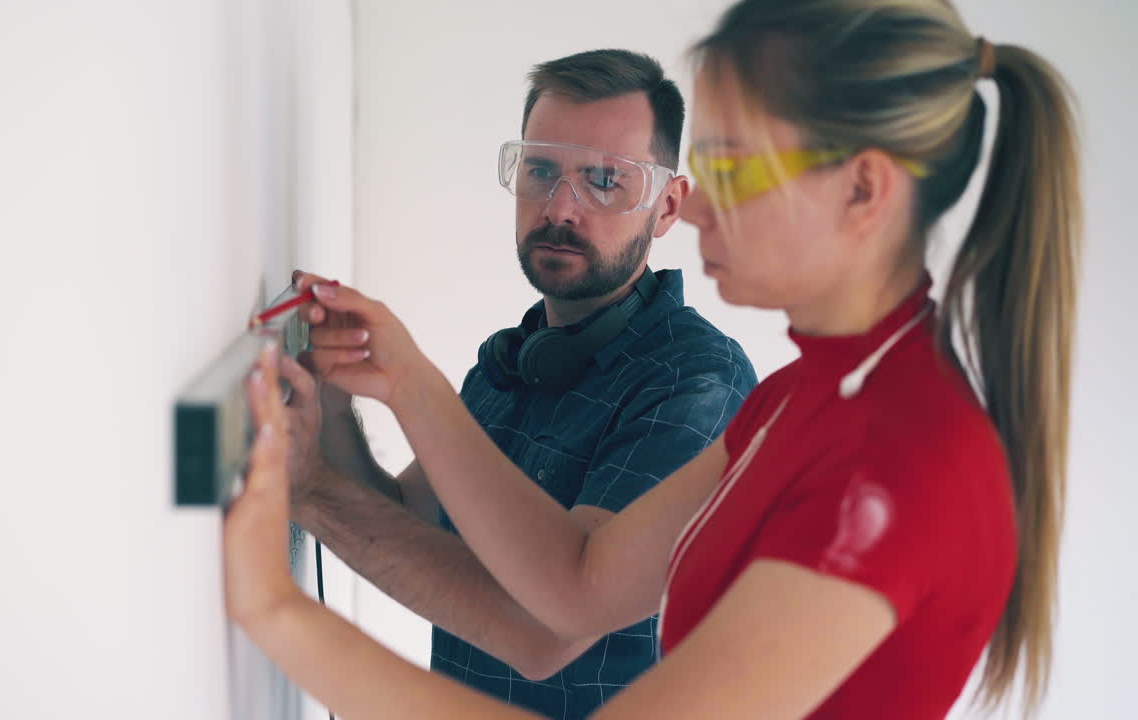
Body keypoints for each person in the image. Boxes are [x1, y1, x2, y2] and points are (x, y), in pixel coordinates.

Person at [224, 0, 1081, 717]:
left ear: (862, 190)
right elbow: (579, 584)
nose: (700, 207)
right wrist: (383, 391)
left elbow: (544, 634)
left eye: (737, 171)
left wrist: (271, 605)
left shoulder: (893, 464)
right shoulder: (802, 394)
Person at [285, 48, 756, 720]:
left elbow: (542, 637)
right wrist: (329, 400)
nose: (561, 208)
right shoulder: (516, 360)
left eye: (603, 179)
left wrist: (308, 489)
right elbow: (399, 520)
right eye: (540, 171)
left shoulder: (697, 387)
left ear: (668, 205)